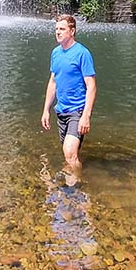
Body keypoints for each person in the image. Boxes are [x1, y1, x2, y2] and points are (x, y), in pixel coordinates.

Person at [41, 14, 96, 181]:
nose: (58, 32)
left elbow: (92, 86)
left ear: (72, 31)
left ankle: (76, 192)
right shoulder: (55, 53)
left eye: (62, 29)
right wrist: (46, 110)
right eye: (56, 29)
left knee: (70, 155)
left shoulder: (82, 53)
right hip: (61, 111)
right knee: (69, 155)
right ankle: (72, 182)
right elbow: (53, 82)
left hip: (77, 111)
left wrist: (86, 116)